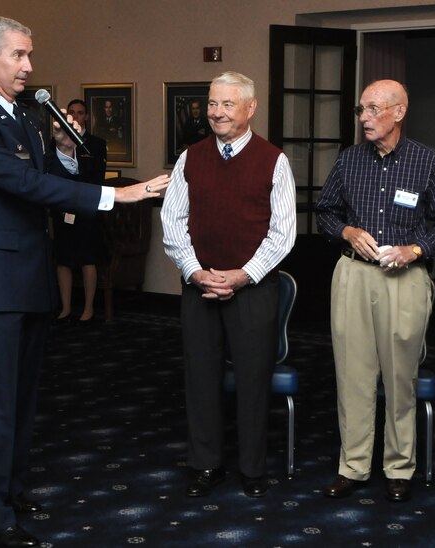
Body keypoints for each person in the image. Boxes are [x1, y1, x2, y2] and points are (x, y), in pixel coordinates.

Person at [0, 16, 169, 548]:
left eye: (29, 55)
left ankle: (10, 489)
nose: (29, 66)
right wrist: (118, 196)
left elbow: (54, 176)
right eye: (19, 55)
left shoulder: (25, 114)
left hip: (30, 273)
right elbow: (24, 183)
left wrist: (84, 166)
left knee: (23, 396)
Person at [315, 79, 435, 503]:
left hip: (404, 279)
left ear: (398, 112)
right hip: (354, 275)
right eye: (361, 110)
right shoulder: (349, 160)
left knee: (399, 378)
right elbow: (325, 212)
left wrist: (416, 250)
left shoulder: (426, 160)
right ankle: (353, 466)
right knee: (352, 376)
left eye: (373, 109)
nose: (365, 118)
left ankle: (399, 467)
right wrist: (348, 230)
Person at [161, 71, 296, 500]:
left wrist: (242, 275)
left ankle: (252, 469)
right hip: (198, 285)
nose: (216, 113)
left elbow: (283, 232)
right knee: (199, 378)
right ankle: (205, 464)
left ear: (250, 108)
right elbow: (173, 221)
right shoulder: (190, 157)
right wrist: (194, 269)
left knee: (255, 380)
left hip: (253, 289)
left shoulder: (274, 160)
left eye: (227, 104)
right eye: (212, 103)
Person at [51, 99, 108, 323]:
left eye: (80, 112)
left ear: (86, 116)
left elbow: (96, 176)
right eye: (71, 112)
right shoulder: (54, 141)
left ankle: (88, 308)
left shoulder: (96, 143)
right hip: (62, 208)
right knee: (63, 258)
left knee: (87, 258)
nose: (75, 116)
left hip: (86, 209)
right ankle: (65, 307)